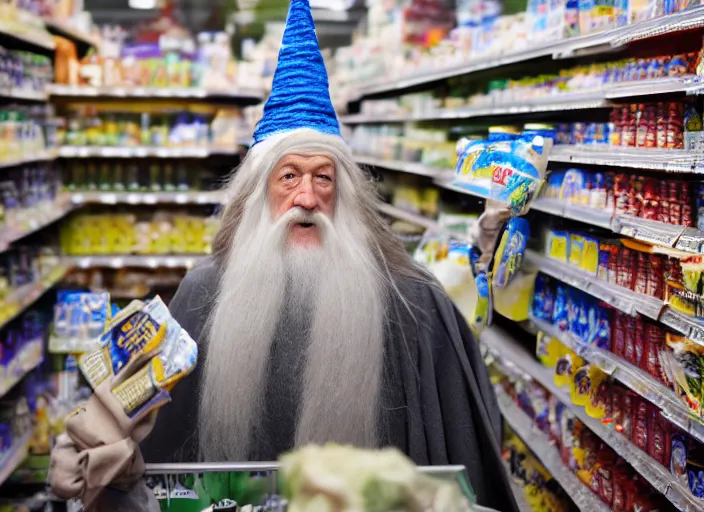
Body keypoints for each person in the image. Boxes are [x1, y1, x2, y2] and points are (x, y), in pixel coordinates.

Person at [51, 1, 519, 510]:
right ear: (258, 194)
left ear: (345, 195)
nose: (307, 197)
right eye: (289, 177)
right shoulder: (204, 291)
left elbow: (459, 456)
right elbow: (156, 454)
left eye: (324, 178)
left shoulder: (412, 299)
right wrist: (98, 447)